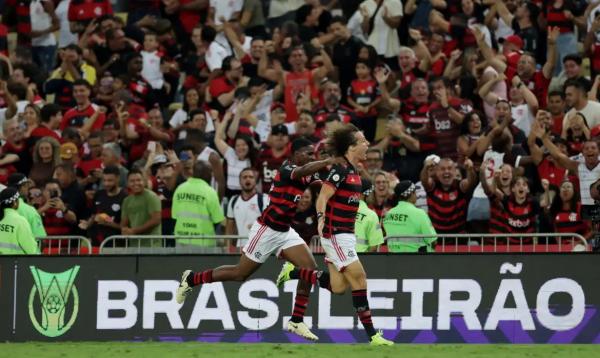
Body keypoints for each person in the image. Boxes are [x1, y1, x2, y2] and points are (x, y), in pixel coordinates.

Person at [176, 137, 339, 342]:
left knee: (309, 268)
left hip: (285, 231)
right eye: (307, 153)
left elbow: (322, 179)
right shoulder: (288, 169)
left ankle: (296, 320)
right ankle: (191, 279)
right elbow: (305, 171)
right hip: (266, 231)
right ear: (296, 154)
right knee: (239, 274)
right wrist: (326, 161)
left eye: (310, 154)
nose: (309, 157)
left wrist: (337, 164)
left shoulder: (306, 172)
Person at [278, 123, 393, 346]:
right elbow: (322, 197)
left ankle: (294, 272)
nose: (367, 144)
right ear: (351, 147)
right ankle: (373, 336)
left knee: (338, 287)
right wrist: (321, 219)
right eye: (362, 141)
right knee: (359, 279)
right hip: (336, 234)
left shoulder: (354, 171)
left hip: (345, 234)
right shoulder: (340, 170)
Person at [171, 160, 225, 249]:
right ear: (206, 174)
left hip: (181, 239)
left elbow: (174, 216)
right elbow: (217, 219)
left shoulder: (180, 189)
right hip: (203, 242)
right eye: (210, 172)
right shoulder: (210, 192)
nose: (212, 175)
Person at [383, 180, 437, 252]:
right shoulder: (419, 213)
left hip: (393, 258)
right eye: (415, 192)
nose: (416, 195)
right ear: (411, 193)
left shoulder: (388, 214)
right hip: (417, 259)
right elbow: (432, 240)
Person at [225, 168, 269, 248]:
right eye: (244, 177)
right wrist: (227, 248)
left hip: (259, 248)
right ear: (240, 181)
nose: (248, 179)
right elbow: (229, 230)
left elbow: (270, 226)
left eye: (251, 177)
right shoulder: (233, 201)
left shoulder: (264, 200)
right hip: (240, 248)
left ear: (255, 181)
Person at [121, 169, 162, 244]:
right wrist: (124, 230)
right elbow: (124, 224)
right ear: (127, 183)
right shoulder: (126, 200)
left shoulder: (152, 196)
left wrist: (134, 231)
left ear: (144, 181)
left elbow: (156, 220)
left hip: (152, 246)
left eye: (139, 180)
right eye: (132, 181)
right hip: (134, 245)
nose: (136, 183)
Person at [0, 188, 39, 255]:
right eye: (18, 200)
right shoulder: (20, 221)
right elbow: (31, 249)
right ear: (15, 203)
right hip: (14, 262)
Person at [7, 173, 46, 238]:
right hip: (28, 247)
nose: (28, 188)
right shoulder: (30, 210)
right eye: (26, 185)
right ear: (22, 187)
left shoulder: (2, 206)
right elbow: (40, 238)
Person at [355, 179, 384, 252]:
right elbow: (374, 247)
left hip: (339, 258)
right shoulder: (371, 215)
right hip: (361, 259)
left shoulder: (342, 209)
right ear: (366, 194)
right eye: (372, 192)